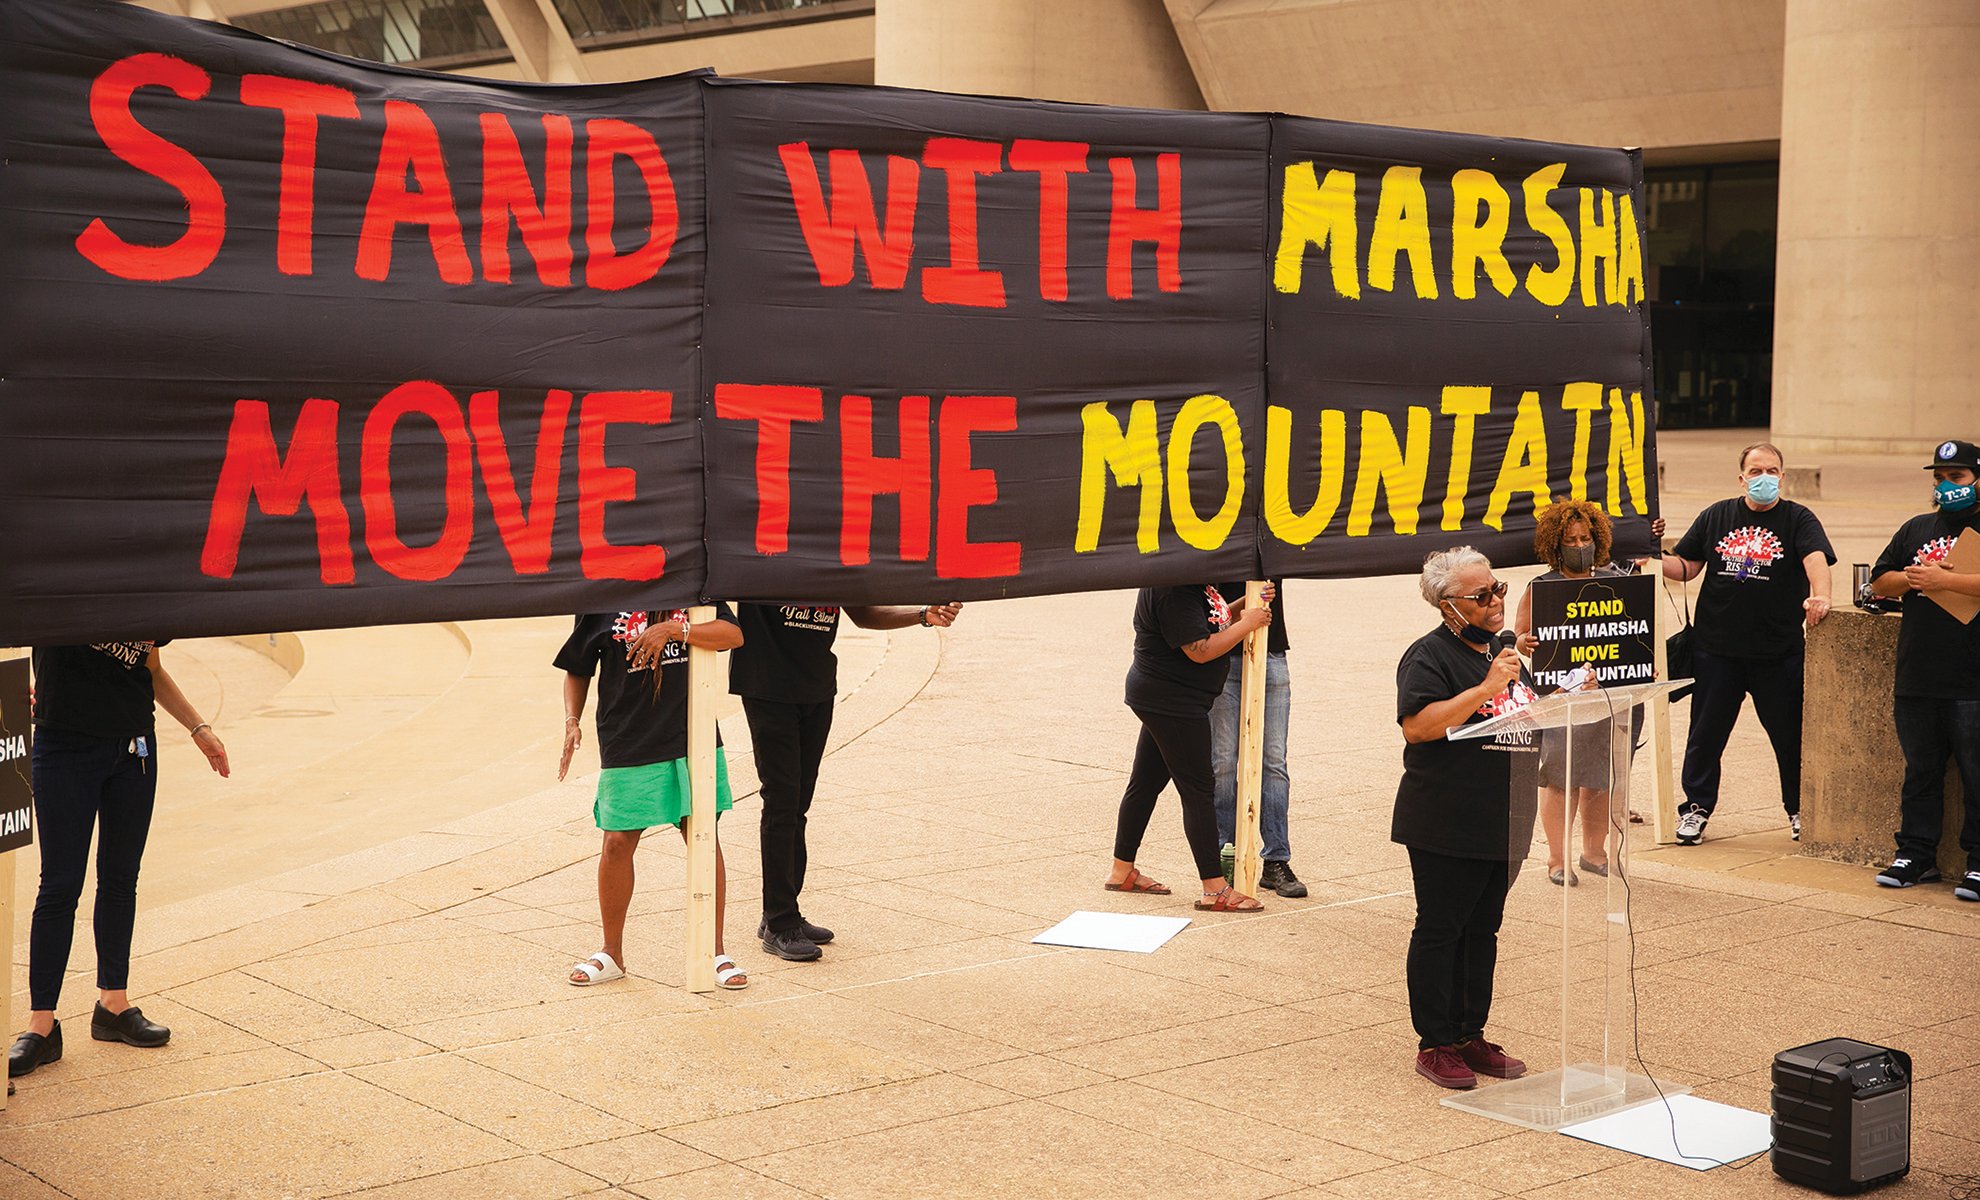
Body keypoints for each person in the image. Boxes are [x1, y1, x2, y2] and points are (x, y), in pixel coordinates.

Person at [10, 642, 230, 1080]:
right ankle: (41, 1025)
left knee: (119, 879)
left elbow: (152, 669)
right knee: (59, 885)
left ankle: (113, 1004)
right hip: (63, 745)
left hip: (133, 749)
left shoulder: (141, 588)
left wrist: (197, 727)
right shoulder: (59, 582)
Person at [729, 602, 961, 962]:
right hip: (768, 686)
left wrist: (922, 615)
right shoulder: (763, 553)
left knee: (798, 805)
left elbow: (864, 613)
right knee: (782, 801)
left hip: (817, 687)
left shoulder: (833, 559)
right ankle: (780, 924)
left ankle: (782, 911)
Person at [1396, 547, 1534, 1089]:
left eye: (1497, 588)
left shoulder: (1500, 654)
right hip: (1446, 818)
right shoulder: (1428, 656)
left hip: (1504, 817)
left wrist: (1570, 699)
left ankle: (1469, 1032)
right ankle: (1435, 1041)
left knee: (1484, 930)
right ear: (1448, 606)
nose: (1496, 601)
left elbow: (1522, 716)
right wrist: (1484, 690)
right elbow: (1418, 726)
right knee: (1442, 928)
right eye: (1481, 596)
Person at [556, 605, 747, 989]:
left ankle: (714, 952)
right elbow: (577, 667)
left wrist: (679, 630)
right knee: (616, 843)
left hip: (691, 734)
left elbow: (732, 634)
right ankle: (611, 953)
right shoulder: (599, 593)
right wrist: (571, 722)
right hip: (627, 736)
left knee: (702, 838)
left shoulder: (691, 582)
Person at [1662, 442, 1835, 844]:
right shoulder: (1717, 515)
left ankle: (1798, 810)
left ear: (1783, 477)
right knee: (1705, 737)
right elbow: (1686, 567)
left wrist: (1820, 595)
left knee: (1790, 737)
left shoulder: (1798, 518)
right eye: (1755, 472)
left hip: (1778, 653)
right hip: (1716, 651)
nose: (1764, 478)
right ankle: (1696, 809)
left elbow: (1815, 560)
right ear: (1742, 478)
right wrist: (1652, 555)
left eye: (1771, 471)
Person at [1514, 501, 1658, 885]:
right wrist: (1526, 643)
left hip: (1612, 697)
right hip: (1564, 699)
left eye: (1586, 537)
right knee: (1561, 778)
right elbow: (1519, 638)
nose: (1580, 545)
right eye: (1571, 539)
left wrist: (1642, 661)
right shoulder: (1541, 588)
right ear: (1554, 545)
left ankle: (1594, 852)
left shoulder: (1619, 581)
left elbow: (1636, 635)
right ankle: (1556, 860)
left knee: (1601, 777)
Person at [1108, 583, 1271, 912]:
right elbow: (1199, 648)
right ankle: (1214, 888)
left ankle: (1121, 870)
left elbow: (1212, 621)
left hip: (1166, 698)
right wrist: (1248, 623)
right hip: (1173, 702)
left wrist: (1248, 605)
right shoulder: (1173, 588)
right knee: (1198, 788)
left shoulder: (1189, 578)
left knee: (1146, 783)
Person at [1868, 438, 1980, 898]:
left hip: (1971, 679)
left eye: (1956, 478)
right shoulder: (1916, 528)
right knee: (1921, 771)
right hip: (1917, 675)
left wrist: (1945, 579)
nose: (1946, 486)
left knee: (1976, 773)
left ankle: (1977, 860)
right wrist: (1913, 577)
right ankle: (1915, 854)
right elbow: (1880, 580)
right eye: (1939, 479)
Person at [1209, 578, 1304, 897]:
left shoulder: (1269, 534)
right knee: (1223, 761)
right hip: (1223, 654)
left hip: (1271, 651)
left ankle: (1276, 859)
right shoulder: (1212, 538)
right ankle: (1227, 855)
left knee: (1273, 761)